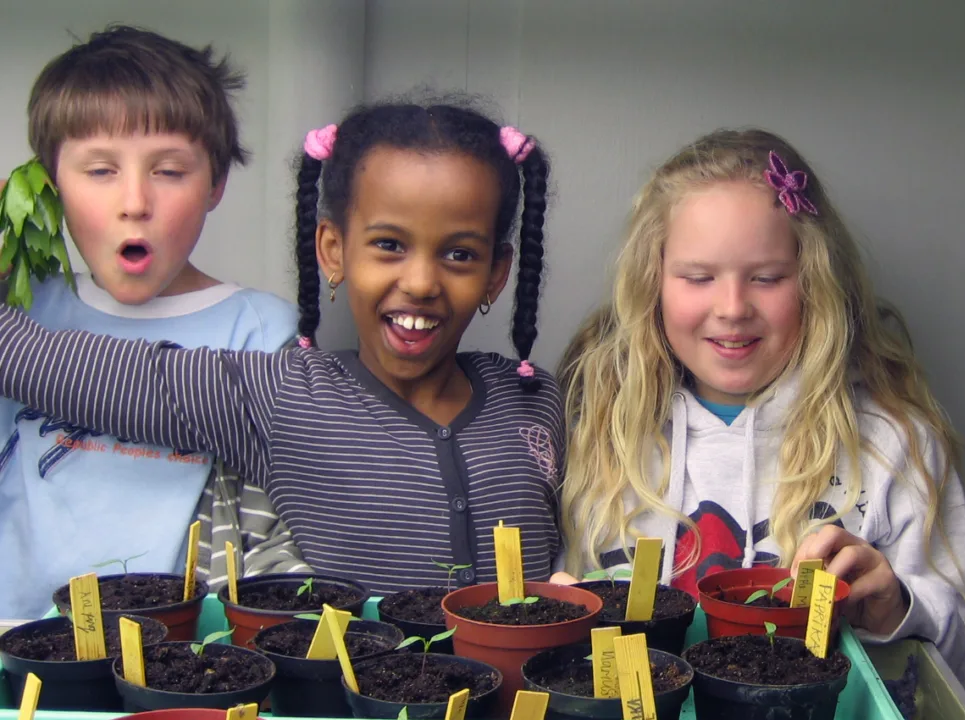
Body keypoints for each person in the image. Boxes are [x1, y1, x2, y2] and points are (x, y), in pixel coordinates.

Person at [0, 98, 564, 596]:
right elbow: (46, 365)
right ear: (334, 251)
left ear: (497, 273)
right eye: (389, 245)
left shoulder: (534, 398)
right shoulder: (283, 395)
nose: (420, 282)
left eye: (460, 254)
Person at [555, 128, 965, 713]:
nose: (732, 308)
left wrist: (897, 606)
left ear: (814, 281)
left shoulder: (892, 445)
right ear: (653, 283)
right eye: (698, 277)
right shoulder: (603, 436)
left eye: (766, 278)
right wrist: (563, 630)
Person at [0, 25, 298, 619]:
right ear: (50, 186)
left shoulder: (261, 331)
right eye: (99, 170)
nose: (135, 202)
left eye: (168, 171)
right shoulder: (22, 306)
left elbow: (277, 528)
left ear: (215, 184)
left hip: (173, 646)